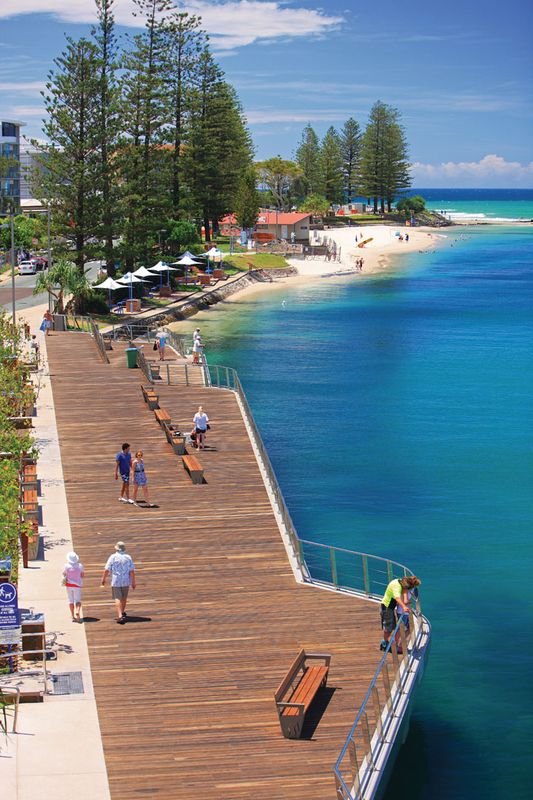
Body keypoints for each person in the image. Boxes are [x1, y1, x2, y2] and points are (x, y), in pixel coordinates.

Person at [380, 576, 421, 653]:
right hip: (386, 607)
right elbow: (397, 598)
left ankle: (387, 643)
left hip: (390, 607)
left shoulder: (399, 582)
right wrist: (404, 606)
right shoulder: (397, 587)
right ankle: (384, 644)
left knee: (392, 627)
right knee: (388, 628)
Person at [101, 541, 136, 624]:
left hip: (116, 580)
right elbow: (131, 571)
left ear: (116, 549)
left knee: (117, 598)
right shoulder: (128, 557)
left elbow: (107, 569)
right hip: (126, 580)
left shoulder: (113, 557)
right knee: (124, 598)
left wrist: (103, 579)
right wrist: (133, 582)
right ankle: (122, 612)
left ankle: (120, 615)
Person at [63, 551, 84, 622]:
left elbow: (64, 574)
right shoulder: (80, 566)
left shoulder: (66, 566)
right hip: (77, 585)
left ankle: (72, 616)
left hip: (69, 585)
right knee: (77, 600)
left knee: (70, 601)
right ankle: (77, 611)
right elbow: (82, 575)